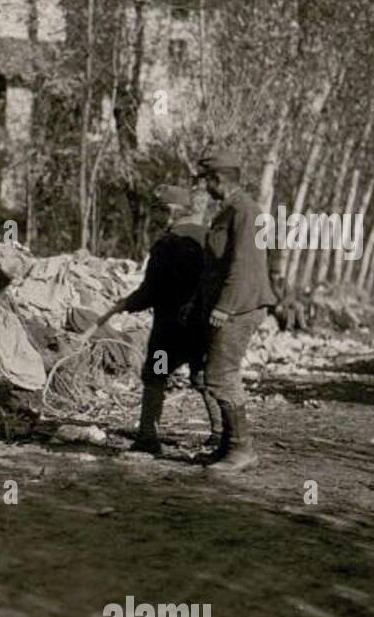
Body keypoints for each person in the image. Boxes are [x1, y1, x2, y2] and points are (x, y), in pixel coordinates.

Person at [89, 184, 221, 454]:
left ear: (172, 211)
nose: (157, 218)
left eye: (159, 212)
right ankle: (221, 433)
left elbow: (151, 290)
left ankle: (148, 438)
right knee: (202, 375)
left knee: (156, 375)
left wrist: (125, 304)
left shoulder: (168, 244)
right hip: (205, 327)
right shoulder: (211, 240)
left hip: (170, 331)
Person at [195, 150, 277, 472]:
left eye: (207, 182)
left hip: (239, 308)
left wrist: (225, 307)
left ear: (219, 180)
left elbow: (243, 265)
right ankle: (229, 446)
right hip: (233, 305)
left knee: (221, 376)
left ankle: (242, 450)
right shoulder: (233, 210)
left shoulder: (245, 212)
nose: (205, 188)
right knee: (212, 373)